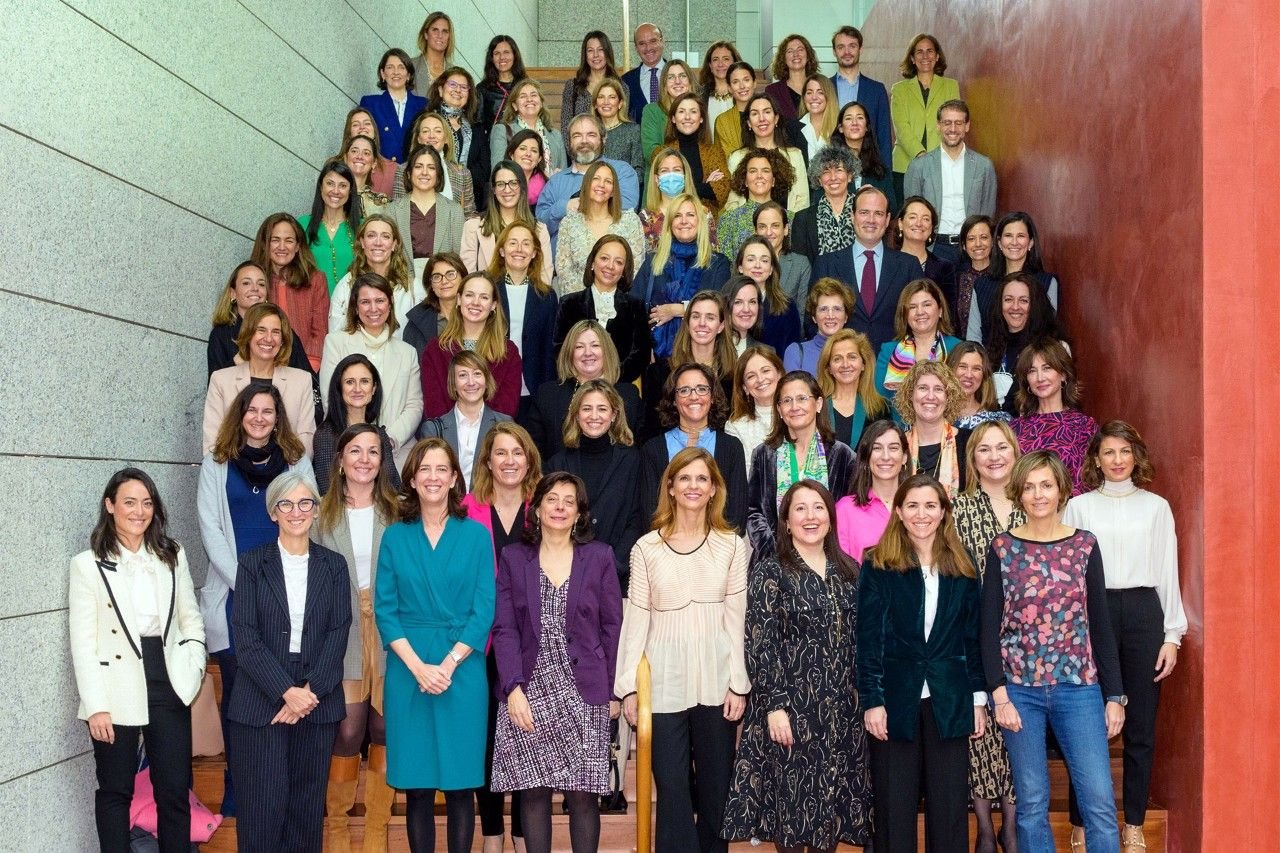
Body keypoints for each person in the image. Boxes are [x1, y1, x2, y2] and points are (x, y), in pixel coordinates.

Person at [982, 451, 1125, 852]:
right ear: (1018, 493)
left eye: (1046, 485)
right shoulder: (1003, 549)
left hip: (1078, 689)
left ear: (1062, 489)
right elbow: (987, 627)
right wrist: (998, 693)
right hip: (1020, 692)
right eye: (1029, 486)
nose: (1038, 494)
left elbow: (1100, 623)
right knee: (1030, 804)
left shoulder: (1084, 546)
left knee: (1098, 800)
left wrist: (1114, 696)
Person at [722, 480, 873, 851]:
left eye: (818, 507)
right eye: (800, 509)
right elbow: (759, 643)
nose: (811, 516)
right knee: (792, 813)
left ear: (830, 517)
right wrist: (774, 707)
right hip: (790, 712)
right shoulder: (770, 572)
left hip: (840, 713)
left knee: (828, 816)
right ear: (786, 522)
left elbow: (861, 640)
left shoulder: (850, 571)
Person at [616, 446, 750, 853]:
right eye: (685, 478)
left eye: (702, 479)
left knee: (716, 790)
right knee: (672, 789)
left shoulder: (732, 545)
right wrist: (627, 688)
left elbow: (737, 617)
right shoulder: (645, 549)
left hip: (717, 680)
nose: (693, 486)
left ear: (714, 490)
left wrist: (739, 684)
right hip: (663, 684)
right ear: (670, 487)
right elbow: (636, 619)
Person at [1062, 421, 1187, 853]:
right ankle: (1080, 823)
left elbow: (1167, 570)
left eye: (1125, 452)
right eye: (1109, 452)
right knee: (1086, 724)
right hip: (1091, 616)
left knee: (1141, 728)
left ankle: (1133, 823)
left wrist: (1172, 634)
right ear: (1096, 459)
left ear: (1136, 456)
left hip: (1142, 614)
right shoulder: (1078, 507)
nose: (1117, 460)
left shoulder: (1156, 507)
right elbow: (1067, 575)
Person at [71, 469, 206, 853]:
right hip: (114, 685)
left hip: (168, 676)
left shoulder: (171, 554)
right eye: (129, 502)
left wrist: (194, 664)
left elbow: (190, 617)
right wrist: (96, 706)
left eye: (147, 503)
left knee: (175, 789)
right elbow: (83, 641)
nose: (139, 511)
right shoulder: (87, 564)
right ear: (110, 506)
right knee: (116, 790)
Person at [491, 473, 624, 853]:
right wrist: (512, 688)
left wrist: (613, 690)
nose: (561, 507)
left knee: (582, 796)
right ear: (537, 507)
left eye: (570, 500)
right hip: (528, 692)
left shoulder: (599, 556)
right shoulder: (514, 557)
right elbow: (505, 628)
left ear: (580, 512)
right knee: (532, 794)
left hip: (584, 691)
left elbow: (612, 627)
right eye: (552, 499)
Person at [197, 385, 314, 818]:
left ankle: (283, 787)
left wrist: (281, 589)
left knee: (285, 688)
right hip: (234, 594)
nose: (260, 418)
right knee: (241, 695)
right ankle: (238, 788)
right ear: (240, 415)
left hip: (292, 595)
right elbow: (210, 528)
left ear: (278, 416)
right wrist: (248, 585)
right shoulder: (216, 463)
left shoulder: (296, 460)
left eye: (268, 411)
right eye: (252, 410)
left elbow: (308, 515)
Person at [376, 438, 496, 853]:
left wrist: (446, 664)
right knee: (418, 786)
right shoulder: (394, 537)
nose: (432, 477)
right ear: (411, 478)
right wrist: (419, 668)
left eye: (441, 469)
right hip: (409, 670)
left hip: (461, 669)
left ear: (454, 479)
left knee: (462, 785)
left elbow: (484, 610)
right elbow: (385, 611)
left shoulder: (478, 536)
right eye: (424, 469)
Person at [858, 473, 986, 853]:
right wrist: (872, 700)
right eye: (912, 505)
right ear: (898, 511)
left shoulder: (963, 566)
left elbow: (972, 638)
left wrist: (978, 699)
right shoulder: (878, 563)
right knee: (895, 806)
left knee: (948, 808)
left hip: (950, 698)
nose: (921, 514)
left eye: (931, 505)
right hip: (895, 700)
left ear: (944, 511)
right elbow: (868, 640)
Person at [224, 469, 349, 853]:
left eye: (305, 503)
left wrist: (307, 692)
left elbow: (338, 632)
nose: (296, 511)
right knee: (261, 811)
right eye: (286, 504)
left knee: (306, 813)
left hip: (316, 700)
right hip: (261, 700)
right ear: (273, 512)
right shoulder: (252, 563)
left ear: (316, 510)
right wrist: (285, 692)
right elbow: (245, 636)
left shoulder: (334, 565)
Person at [310, 425, 398, 853]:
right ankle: (340, 829)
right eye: (356, 451)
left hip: (390, 635)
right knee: (347, 731)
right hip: (340, 633)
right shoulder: (319, 513)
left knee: (385, 728)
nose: (365, 459)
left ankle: (378, 829)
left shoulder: (399, 511)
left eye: (374, 452)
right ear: (340, 459)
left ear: (382, 462)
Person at [461, 423, 543, 853]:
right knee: (487, 742)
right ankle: (492, 836)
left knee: (528, 739)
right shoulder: (466, 508)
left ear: (528, 459)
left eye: (517, 452)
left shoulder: (544, 507)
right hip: (479, 644)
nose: (509, 460)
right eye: (500, 453)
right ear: (487, 461)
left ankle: (524, 835)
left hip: (533, 646)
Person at [952, 419, 1023, 853]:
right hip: (972, 629)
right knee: (977, 728)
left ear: (1015, 453)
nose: (994, 456)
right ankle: (983, 825)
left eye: (1002, 447)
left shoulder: (1034, 503)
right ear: (972, 458)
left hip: (1026, 636)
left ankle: (1013, 827)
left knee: (1017, 725)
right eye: (984, 449)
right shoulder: (959, 509)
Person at [545, 380, 645, 591]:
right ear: (576, 414)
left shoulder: (632, 460)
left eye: (602, 409)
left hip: (618, 578)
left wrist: (612, 566)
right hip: (565, 576)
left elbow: (636, 519)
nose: (594, 416)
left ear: (614, 415)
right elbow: (552, 519)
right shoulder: (558, 463)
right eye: (587, 408)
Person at [746, 370, 856, 560]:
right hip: (775, 562)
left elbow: (851, 512)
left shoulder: (843, 455)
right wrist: (773, 553)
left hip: (829, 561)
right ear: (779, 410)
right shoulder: (764, 454)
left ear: (819, 404)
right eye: (786, 401)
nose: (794, 406)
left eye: (802, 398)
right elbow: (753, 512)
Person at [319, 273, 424, 467]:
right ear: (355, 307)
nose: (373, 308)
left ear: (390, 304)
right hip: (346, 451)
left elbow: (414, 405)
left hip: (397, 454)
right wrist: (358, 442)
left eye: (380, 300)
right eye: (365, 302)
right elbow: (330, 398)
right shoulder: (335, 343)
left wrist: (387, 440)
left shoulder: (407, 352)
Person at [640, 363, 749, 532]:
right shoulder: (653, 449)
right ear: (673, 400)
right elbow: (650, 515)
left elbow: (737, 517)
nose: (694, 396)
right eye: (684, 390)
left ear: (712, 397)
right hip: (666, 548)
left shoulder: (731, 448)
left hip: (719, 550)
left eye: (701, 389)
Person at [810, 185, 918, 351]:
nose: (871, 220)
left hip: (895, 366)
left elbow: (919, 319)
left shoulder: (909, 265)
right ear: (852, 216)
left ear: (888, 219)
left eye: (878, 213)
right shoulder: (826, 264)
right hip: (842, 366)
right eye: (864, 212)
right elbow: (812, 321)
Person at [203, 302, 316, 455]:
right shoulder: (221, 380)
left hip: (286, 474)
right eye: (261, 330)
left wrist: (291, 477)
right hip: (232, 472)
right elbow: (212, 440)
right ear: (248, 334)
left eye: (276, 332)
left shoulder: (302, 381)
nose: (269, 339)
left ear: (282, 340)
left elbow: (306, 439)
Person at [527, 318, 642, 459]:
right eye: (579, 347)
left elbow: (638, 450)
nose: (588, 353)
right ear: (570, 353)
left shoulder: (629, 395)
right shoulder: (547, 394)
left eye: (595, 345)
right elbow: (532, 452)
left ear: (607, 351)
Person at [903, 99, 997, 264]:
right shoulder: (919, 166)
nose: (952, 129)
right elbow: (911, 214)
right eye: (947, 123)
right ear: (938, 126)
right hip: (933, 248)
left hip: (971, 249)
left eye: (958, 123)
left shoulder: (984, 166)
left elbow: (987, 213)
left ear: (967, 126)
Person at [636, 195, 729, 360]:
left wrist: (676, 310)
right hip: (658, 359)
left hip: (706, 357)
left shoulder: (718, 263)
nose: (684, 221)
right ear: (670, 223)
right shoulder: (653, 261)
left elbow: (721, 308)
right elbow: (634, 306)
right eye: (677, 216)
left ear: (700, 221)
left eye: (690, 215)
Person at [421, 272, 523, 419]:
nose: (476, 302)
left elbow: (507, 408)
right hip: (446, 438)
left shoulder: (508, 352)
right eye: (469, 295)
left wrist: (482, 434)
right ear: (459, 300)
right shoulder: (435, 350)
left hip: (493, 437)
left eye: (484, 297)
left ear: (493, 305)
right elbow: (434, 406)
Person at [554, 235, 652, 383]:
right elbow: (560, 349)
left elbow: (640, 355)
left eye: (618, 262)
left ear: (624, 270)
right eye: (604, 258)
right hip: (576, 387)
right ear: (592, 262)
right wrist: (584, 381)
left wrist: (610, 379)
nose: (610, 266)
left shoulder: (636, 306)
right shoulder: (568, 303)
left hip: (620, 388)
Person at [536, 114, 641, 248]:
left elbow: (625, 213)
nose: (584, 141)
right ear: (569, 142)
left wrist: (583, 204)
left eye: (591, 135)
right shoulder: (556, 181)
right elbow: (540, 227)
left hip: (611, 262)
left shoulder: (622, 172)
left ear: (603, 139)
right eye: (577, 136)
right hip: (562, 265)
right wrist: (564, 207)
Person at [1010, 338, 1097, 495]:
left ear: (1063, 375)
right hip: (1026, 514)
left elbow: (1093, 480)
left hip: (1071, 515)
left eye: (1047, 368)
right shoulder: (1015, 428)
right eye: (1032, 371)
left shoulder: (1084, 426)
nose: (1040, 378)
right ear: (1027, 380)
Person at [490, 220, 560, 408]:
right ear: (502, 251)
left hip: (534, 390)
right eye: (513, 243)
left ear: (535, 253)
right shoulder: (488, 291)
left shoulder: (547, 296)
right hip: (493, 388)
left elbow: (550, 349)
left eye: (526, 243)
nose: (519, 249)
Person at [418, 351, 513, 489]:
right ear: (453, 384)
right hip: (447, 507)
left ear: (486, 381)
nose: (471, 382)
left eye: (477, 374)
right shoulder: (433, 429)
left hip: (488, 505)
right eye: (463, 375)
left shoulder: (504, 425)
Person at [251, 212, 330, 371]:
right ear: (265, 244)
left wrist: (307, 368)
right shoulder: (254, 280)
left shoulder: (315, 280)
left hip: (304, 368)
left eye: (289, 241)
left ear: (298, 246)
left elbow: (320, 330)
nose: (282, 247)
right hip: (260, 366)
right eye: (275, 240)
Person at [554, 160, 646, 296]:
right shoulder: (569, 223)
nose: (601, 185)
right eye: (596, 179)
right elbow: (564, 270)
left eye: (608, 181)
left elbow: (636, 268)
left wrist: (614, 301)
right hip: (579, 308)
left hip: (621, 306)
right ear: (586, 185)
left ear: (614, 191)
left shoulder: (630, 221)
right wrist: (588, 302)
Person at [975, 272, 1067, 408]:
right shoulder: (989, 346)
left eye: (1024, 300)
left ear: (1035, 305)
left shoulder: (1052, 348)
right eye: (1008, 300)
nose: (1015, 307)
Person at [207, 261, 313, 379]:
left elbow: (310, 382)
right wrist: (239, 361)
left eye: (261, 284)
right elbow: (215, 387)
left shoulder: (284, 331)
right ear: (233, 293)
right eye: (246, 283)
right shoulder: (221, 335)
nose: (255, 289)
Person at [313, 354, 401, 496]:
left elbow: (395, 487)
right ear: (339, 388)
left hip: (384, 514)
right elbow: (329, 490)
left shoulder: (380, 435)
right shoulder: (326, 435)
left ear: (373, 389)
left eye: (364, 381)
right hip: (343, 515)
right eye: (349, 382)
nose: (357, 389)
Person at [968, 212, 1061, 341]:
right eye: (1008, 236)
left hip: (1031, 359)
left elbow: (1049, 335)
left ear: (1030, 243)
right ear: (999, 243)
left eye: (1021, 236)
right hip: (988, 359)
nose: (1014, 242)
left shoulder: (1047, 283)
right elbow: (973, 336)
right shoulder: (981, 284)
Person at [890, 34, 961, 203]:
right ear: (912, 59)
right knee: (907, 215)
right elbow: (901, 128)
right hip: (905, 166)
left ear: (937, 56)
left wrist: (934, 160)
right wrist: (923, 156)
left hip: (942, 165)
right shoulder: (899, 89)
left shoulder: (951, 86)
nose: (925, 56)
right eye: (919, 52)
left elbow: (953, 123)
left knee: (936, 215)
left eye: (930, 51)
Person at [329, 214, 423, 337]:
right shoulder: (346, 286)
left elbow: (422, 338)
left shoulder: (414, 289)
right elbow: (335, 335)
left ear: (394, 244)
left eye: (385, 236)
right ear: (362, 242)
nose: (378, 243)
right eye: (371, 236)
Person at [461, 161, 553, 281]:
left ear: (522, 187)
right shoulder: (473, 227)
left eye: (513, 183)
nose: (507, 190)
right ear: (493, 189)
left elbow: (544, 277)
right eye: (500, 184)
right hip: (486, 297)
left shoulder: (539, 230)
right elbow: (468, 280)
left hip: (526, 297)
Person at [386, 145, 466, 282]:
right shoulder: (392, 210)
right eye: (418, 167)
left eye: (431, 167)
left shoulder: (454, 210)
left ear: (439, 175)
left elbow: (458, 258)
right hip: (402, 284)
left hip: (443, 285)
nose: (424, 172)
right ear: (409, 173)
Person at [834, 420, 909, 560]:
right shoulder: (844, 510)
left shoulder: (918, 507)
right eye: (877, 448)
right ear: (866, 457)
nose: (885, 457)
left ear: (904, 457)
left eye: (893, 448)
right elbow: (840, 570)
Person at [874, 277, 962, 397]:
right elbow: (881, 398)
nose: (920, 312)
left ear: (940, 310)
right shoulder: (888, 351)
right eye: (912, 307)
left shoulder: (958, 348)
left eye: (926, 305)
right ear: (904, 315)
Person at [894, 359, 970, 497]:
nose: (930, 396)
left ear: (949, 397)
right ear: (910, 395)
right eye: (923, 388)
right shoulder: (897, 445)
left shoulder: (970, 443)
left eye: (938, 389)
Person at [725, 95, 809, 213]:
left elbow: (802, 200)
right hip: (747, 229)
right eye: (755, 114)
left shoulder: (795, 155)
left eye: (767, 112)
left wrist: (786, 226)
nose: (761, 119)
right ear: (748, 122)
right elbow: (733, 202)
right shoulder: (737, 158)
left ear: (776, 119)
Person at [426, 66, 492, 206]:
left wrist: (459, 179)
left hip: (468, 202)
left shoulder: (477, 128)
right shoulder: (425, 120)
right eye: (452, 85)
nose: (457, 90)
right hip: (429, 197)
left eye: (463, 87)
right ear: (440, 90)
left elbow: (484, 170)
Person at [817, 328, 891, 450]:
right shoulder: (817, 407)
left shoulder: (881, 408)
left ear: (863, 364)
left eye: (852, 357)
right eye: (837, 359)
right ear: (829, 368)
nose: (845, 364)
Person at [717, 148, 796, 261]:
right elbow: (723, 265)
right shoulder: (729, 220)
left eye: (765, 171)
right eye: (753, 171)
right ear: (745, 181)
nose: (759, 176)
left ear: (773, 181)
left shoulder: (791, 218)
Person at [729, 235, 803, 353]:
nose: (757, 265)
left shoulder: (787, 307)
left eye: (764, 260)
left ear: (771, 269)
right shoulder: (725, 302)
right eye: (751, 259)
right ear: (740, 267)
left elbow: (793, 354)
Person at [830, 26, 892, 166]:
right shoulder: (824, 88)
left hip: (869, 167)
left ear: (860, 49)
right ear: (834, 52)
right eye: (841, 47)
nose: (847, 52)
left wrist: (886, 179)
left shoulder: (877, 90)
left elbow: (884, 138)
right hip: (833, 168)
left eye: (852, 46)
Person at [789, 144, 861, 264]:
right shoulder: (803, 218)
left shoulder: (864, 212)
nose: (833, 177)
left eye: (839, 170)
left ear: (850, 176)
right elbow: (800, 265)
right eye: (826, 172)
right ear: (819, 180)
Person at [660, 93, 730, 212]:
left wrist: (680, 186)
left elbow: (722, 190)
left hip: (706, 220)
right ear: (673, 118)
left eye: (693, 111)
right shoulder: (662, 153)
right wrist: (704, 186)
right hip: (669, 217)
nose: (687, 117)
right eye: (681, 111)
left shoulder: (714, 152)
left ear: (701, 118)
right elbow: (659, 190)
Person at [298, 161, 360, 295]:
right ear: (321, 187)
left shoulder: (363, 227)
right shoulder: (302, 224)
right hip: (310, 306)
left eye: (343, 185)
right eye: (330, 183)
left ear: (350, 191)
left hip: (350, 307)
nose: (336, 191)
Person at [639, 148, 719, 250]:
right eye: (665, 171)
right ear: (656, 179)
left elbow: (713, 254)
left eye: (677, 170)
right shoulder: (646, 217)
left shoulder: (702, 213)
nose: (671, 176)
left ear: (685, 176)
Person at [403, 111, 478, 218]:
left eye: (438, 131)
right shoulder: (403, 170)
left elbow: (469, 214)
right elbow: (398, 213)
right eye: (425, 131)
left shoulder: (462, 173)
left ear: (446, 138)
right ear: (418, 139)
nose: (432, 136)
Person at [359, 48, 427, 164]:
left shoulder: (424, 105)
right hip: (380, 173)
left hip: (412, 174)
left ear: (408, 75)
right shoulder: (370, 103)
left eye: (401, 67)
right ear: (383, 74)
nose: (396, 72)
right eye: (390, 67)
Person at [491, 78, 567, 176]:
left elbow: (563, 173)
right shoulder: (502, 131)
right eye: (523, 96)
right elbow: (498, 171)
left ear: (541, 103)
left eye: (534, 95)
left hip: (552, 190)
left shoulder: (556, 135)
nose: (529, 99)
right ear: (515, 105)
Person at [895, 197, 957, 315]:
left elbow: (949, 315)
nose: (919, 223)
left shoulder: (945, 267)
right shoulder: (886, 263)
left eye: (926, 219)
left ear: (931, 229)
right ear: (900, 223)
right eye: (913, 217)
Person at [831, 101, 896, 210]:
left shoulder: (879, 169)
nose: (854, 123)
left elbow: (892, 209)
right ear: (840, 128)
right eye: (848, 118)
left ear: (867, 127)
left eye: (860, 118)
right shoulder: (829, 164)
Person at [784, 274, 854, 375]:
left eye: (837, 309)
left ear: (846, 316)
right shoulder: (796, 352)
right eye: (823, 309)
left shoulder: (857, 353)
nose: (830, 315)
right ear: (814, 317)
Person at [562, 31, 619, 151]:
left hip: (612, 154)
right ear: (585, 55)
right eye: (590, 51)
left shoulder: (621, 87)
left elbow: (622, 125)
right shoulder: (572, 86)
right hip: (579, 153)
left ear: (608, 52)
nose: (596, 55)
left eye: (601, 49)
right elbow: (565, 127)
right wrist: (574, 156)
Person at [402, 252, 466, 359]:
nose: (444, 281)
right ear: (431, 285)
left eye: (451, 274)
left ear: (463, 278)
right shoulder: (416, 324)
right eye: (437, 277)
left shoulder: (477, 315)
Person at [753, 200, 811, 310]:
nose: (768, 232)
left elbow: (802, 313)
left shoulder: (800, 265)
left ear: (785, 229)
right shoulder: (746, 263)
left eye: (775, 226)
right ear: (755, 231)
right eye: (762, 227)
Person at [639, 60, 698, 166]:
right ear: (664, 85)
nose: (677, 81)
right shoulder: (651, 111)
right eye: (671, 77)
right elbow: (651, 153)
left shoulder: (699, 109)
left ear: (690, 82)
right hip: (661, 175)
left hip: (696, 173)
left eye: (682, 76)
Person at [947, 341, 1012, 430]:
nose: (969, 375)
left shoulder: (998, 421)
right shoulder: (934, 415)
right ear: (950, 369)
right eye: (962, 366)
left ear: (984, 375)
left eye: (976, 368)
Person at [340, 107, 398, 198]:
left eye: (367, 123)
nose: (362, 127)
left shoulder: (393, 169)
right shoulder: (335, 164)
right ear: (349, 134)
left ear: (375, 131)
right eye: (355, 125)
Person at [595, 77, 645, 179]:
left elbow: (638, 170)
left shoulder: (633, 130)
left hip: (624, 190)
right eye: (601, 97)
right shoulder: (589, 132)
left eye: (612, 97)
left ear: (620, 103)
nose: (606, 102)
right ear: (595, 104)